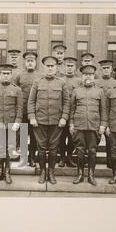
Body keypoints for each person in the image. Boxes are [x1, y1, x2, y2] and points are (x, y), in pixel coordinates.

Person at [28, 56, 70, 184]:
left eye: (52, 66)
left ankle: (51, 172)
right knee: (41, 148)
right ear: (44, 67)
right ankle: (42, 172)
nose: (50, 68)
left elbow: (67, 102)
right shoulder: (37, 82)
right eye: (48, 66)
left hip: (57, 121)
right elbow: (31, 101)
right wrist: (32, 117)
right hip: (40, 121)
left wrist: (64, 117)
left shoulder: (62, 83)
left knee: (53, 147)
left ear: (56, 68)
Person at [69, 65, 108, 185]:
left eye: (90, 75)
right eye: (85, 75)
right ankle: (80, 174)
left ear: (94, 76)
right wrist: (71, 124)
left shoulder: (99, 91)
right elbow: (72, 109)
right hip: (79, 126)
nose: (88, 77)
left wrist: (102, 125)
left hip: (94, 126)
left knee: (92, 151)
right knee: (80, 151)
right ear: (82, 76)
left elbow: (103, 110)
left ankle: (91, 175)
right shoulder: (76, 91)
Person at [0, 64, 24, 184]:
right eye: (3, 73)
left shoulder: (17, 90)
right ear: (0, 75)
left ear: (11, 75)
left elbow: (20, 108)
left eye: (8, 74)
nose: (6, 76)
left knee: (9, 148)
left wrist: (17, 122)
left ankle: (7, 171)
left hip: (11, 122)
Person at [13, 51, 41, 167]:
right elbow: (15, 92)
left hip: (35, 113)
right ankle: (23, 157)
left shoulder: (40, 76)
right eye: (28, 61)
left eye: (32, 61)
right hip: (23, 111)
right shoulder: (19, 76)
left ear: (35, 62)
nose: (30, 63)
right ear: (25, 62)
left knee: (35, 136)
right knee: (23, 135)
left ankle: (32, 157)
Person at [58, 56, 82, 168]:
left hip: (75, 113)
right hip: (61, 112)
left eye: (71, 66)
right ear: (64, 66)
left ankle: (69, 157)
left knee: (72, 137)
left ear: (75, 67)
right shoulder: (59, 79)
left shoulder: (79, 81)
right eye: (67, 66)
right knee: (61, 137)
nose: (69, 68)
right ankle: (62, 157)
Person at [95, 59, 116, 169]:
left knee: (110, 139)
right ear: (100, 70)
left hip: (110, 114)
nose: (106, 70)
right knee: (94, 138)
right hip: (97, 114)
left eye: (108, 68)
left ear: (111, 69)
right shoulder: (96, 82)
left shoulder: (115, 83)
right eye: (104, 68)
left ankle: (110, 161)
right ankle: (90, 160)